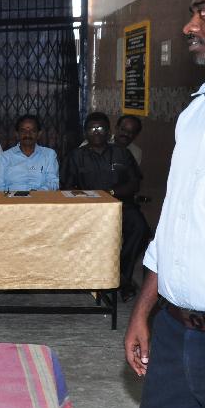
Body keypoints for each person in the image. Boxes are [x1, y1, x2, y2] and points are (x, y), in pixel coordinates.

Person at [124, 0, 205, 408]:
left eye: (204, 10)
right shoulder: (197, 112)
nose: (190, 25)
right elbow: (176, 223)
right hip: (174, 333)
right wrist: (144, 310)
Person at [61, 112, 149, 301]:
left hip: (120, 206)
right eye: (92, 128)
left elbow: (134, 184)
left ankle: (119, 275)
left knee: (140, 228)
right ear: (85, 132)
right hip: (89, 209)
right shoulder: (76, 156)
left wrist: (110, 193)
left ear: (108, 131)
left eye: (101, 128)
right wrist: (87, 197)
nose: (96, 132)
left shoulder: (122, 153)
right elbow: (66, 187)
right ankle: (113, 279)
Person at [0, 114, 59, 192]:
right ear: (17, 134)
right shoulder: (5, 157)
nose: (27, 134)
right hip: (12, 201)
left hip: (40, 200)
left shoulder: (49, 155)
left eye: (32, 131)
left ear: (39, 134)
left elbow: (53, 183)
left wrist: (39, 193)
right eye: (23, 131)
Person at [80, 114, 144, 165]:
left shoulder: (136, 152)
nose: (126, 134)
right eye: (123, 130)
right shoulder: (96, 141)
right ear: (116, 128)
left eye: (130, 132)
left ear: (136, 135)